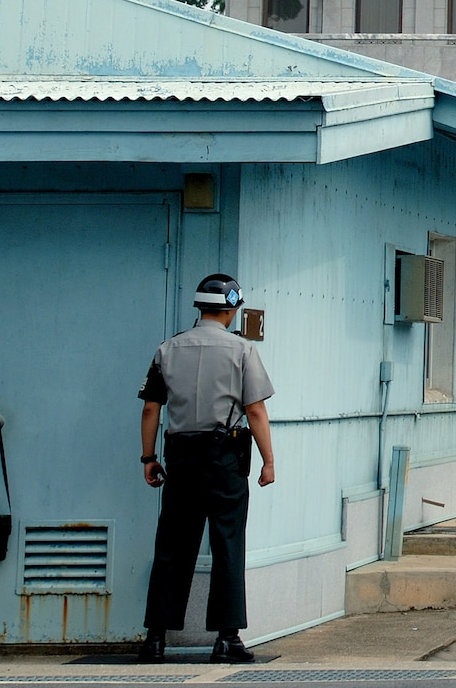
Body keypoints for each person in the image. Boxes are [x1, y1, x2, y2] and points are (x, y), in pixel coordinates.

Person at [136, 275, 276, 664]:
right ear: (231, 309)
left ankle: (156, 638)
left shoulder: (168, 349)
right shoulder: (242, 351)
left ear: (199, 308)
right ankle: (227, 638)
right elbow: (255, 411)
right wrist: (268, 460)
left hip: (180, 455)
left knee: (173, 545)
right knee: (227, 542)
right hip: (224, 454)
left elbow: (151, 408)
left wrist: (149, 458)